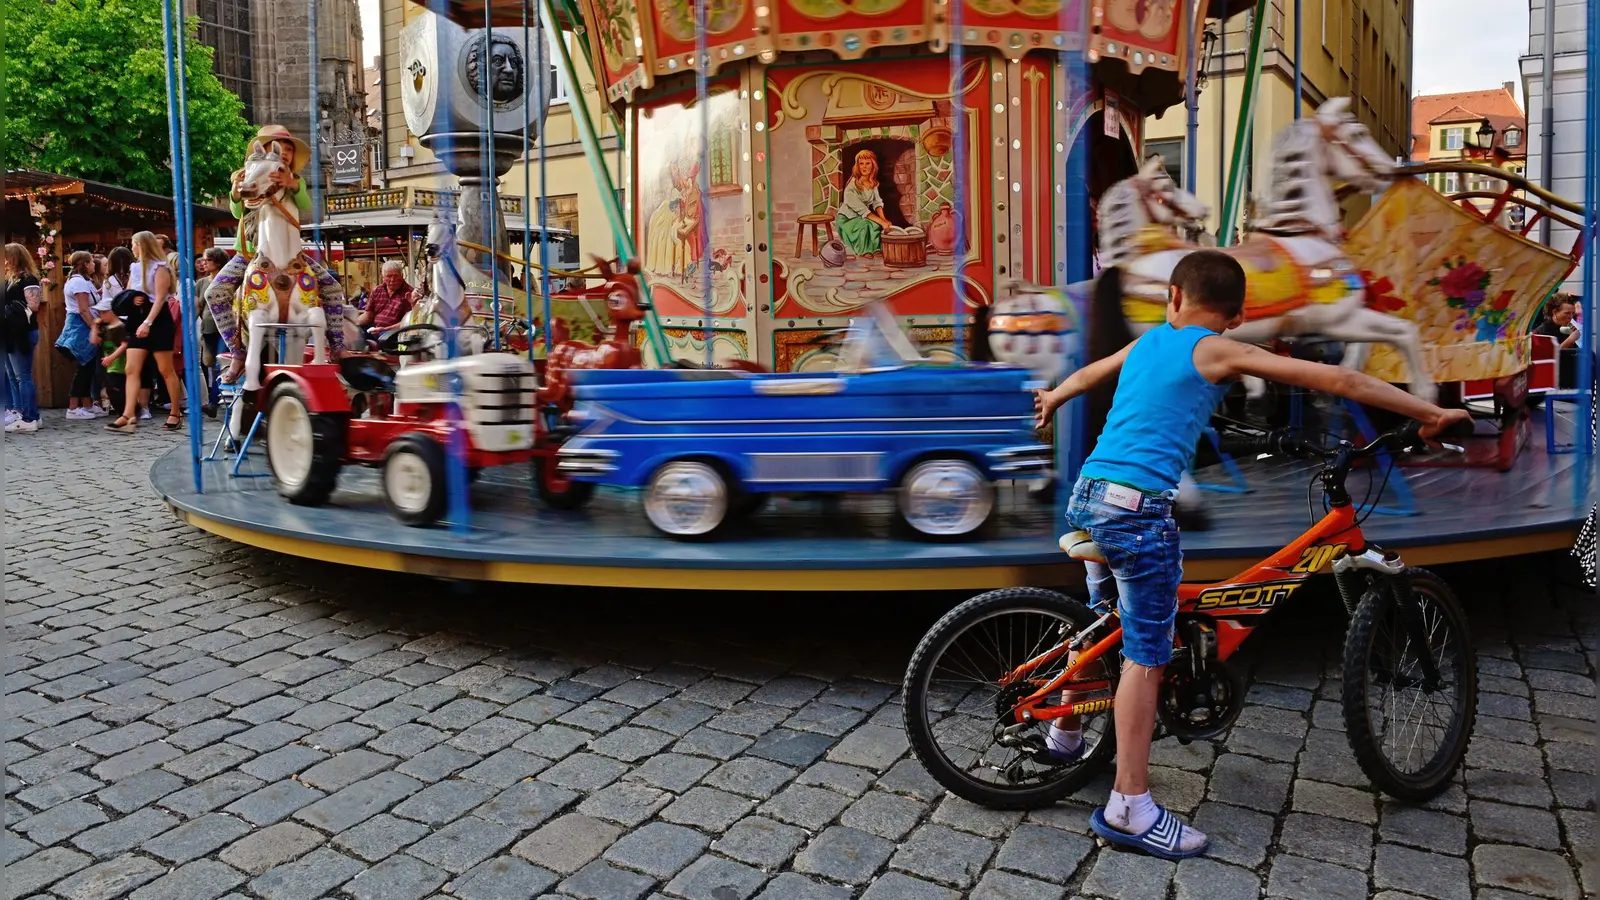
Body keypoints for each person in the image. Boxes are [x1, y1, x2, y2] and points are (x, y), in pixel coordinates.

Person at [1034, 250, 1468, 860]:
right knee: (1146, 654)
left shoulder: (1153, 340)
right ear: (1236, 318)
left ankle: (1066, 729)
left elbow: (1093, 372)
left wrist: (1054, 397)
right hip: (1135, 512)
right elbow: (1338, 381)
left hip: (1090, 494)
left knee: (1109, 624)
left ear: (1174, 299)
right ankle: (1130, 806)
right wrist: (1428, 412)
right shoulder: (1214, 348)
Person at [208, 124, 346, 383]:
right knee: (214, 293)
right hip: (250, 254)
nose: (284, 153)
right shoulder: (249, 175)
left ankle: (336, 344)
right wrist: (236, 194)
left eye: (289, 150)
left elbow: (305, 209)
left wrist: (293, 185)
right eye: (277, 148)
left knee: (332, 287)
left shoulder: (296, 181)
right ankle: (237, 351)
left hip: (292, 257)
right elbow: (239, 214)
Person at [106, 232, 185, 433]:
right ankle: (128, 414)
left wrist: (148, 322)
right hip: (137, 317)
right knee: (131, 369)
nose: (132, 247)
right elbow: (129, 291)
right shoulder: (135, 267)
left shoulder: (160, 267)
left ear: (142, 245)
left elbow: (160, 298)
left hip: (157, 320)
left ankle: (175, 412)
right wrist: (132, 299)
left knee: (165, 369)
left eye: (134, 244)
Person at [55, 251, 103, 419]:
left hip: (82, 324)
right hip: (81, 326)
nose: (93, 264)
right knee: (85, 367)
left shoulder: (81, 281)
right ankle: (73, 408)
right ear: (84, 264)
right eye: (91, 262)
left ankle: (87, 406)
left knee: (87, 366)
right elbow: (83, 309)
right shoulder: (79, 283)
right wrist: (94, 328)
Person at [2, 242, 42, 433]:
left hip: (22, 331)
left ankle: (30, 417)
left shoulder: (27, 278)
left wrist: (11, 309)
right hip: (10, 332)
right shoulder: (10, 279)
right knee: (12, 375)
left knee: (22, 375)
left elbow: (33, 305)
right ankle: (20, 412)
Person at [835, 149, 895, 259]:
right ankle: (864, 250)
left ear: (873, 165)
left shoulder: (873, 183)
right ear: (857, 166)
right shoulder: (853, 185)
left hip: (861, 217)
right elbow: (862, 210)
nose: (864, 167)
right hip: (847, 219)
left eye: (868, 163)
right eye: (861, 163)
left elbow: (877, 203)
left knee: (875, 225)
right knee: (866, 225)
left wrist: (884, 220)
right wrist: (882, 222)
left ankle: (876, 250)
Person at [196, 247, 229, 414]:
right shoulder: (201, 283)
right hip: (208, 328)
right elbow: (197, 306)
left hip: (225, 328)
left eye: (207, 260)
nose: (203, 263)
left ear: (217, 261)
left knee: (219, 363)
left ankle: (214, 401)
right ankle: (215, 399)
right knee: (208, 364)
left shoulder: (228, 280)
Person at [97, 301, 129, 415]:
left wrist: (111, 358)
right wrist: (93, 326)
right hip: (110, 366)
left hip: (119, 365)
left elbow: (124, 345)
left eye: (103, 313)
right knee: (111, 389)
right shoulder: (106, 328)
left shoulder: (120, 327)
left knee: (117, 390)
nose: (100, 316)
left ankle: (127, 412)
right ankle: (123, 412)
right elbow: (94, 340)